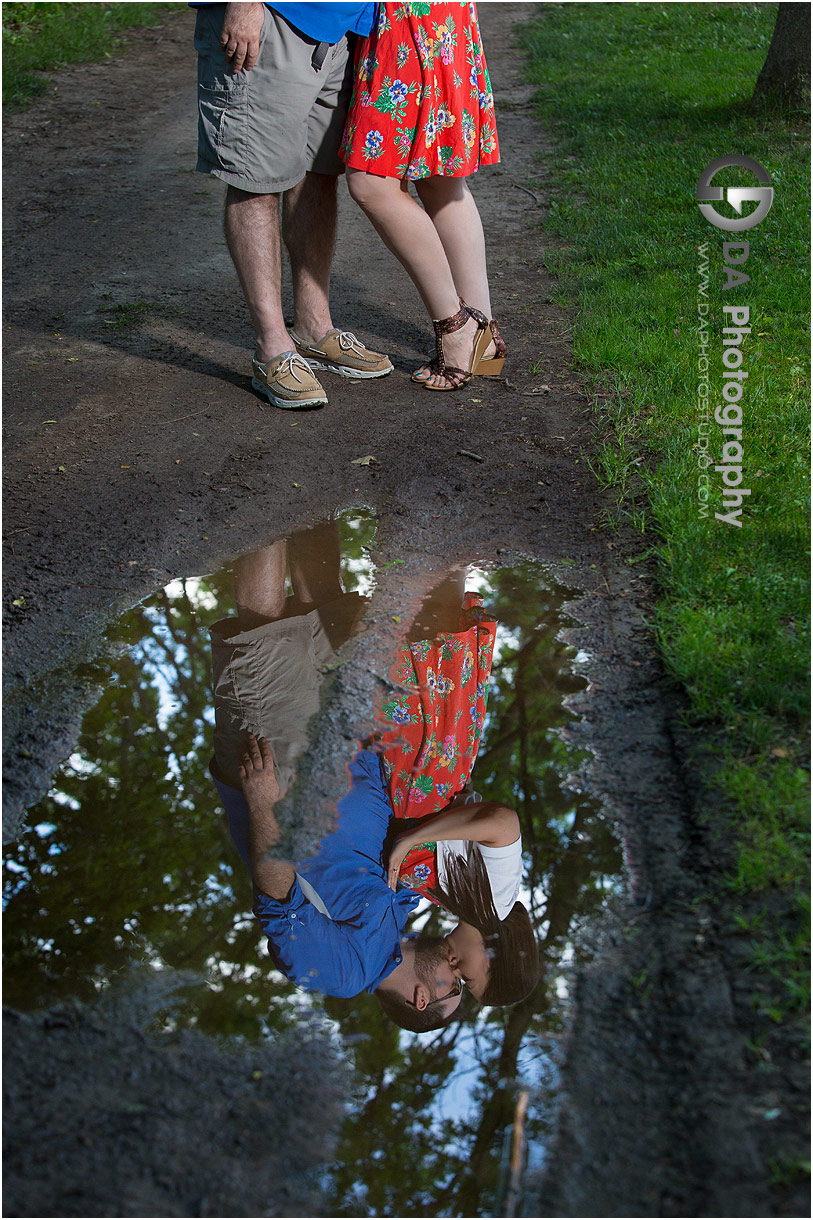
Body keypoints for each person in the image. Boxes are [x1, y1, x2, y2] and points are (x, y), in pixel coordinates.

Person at [208, 524, 462, 1030]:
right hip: (348, 734)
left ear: (419, 999)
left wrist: (261, 803)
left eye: (452, 988)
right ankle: (311, 489)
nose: (456, 974)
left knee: (263, 629)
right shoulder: (397, 922)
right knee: (327, 607)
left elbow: (278, 903)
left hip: (286, 772)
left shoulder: (344, 975)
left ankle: (269, 487)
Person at [193, 2, 393, 408]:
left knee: (318, 174)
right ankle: (272, 348)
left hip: (340, 25)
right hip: (271, 16)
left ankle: (314, 328)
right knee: (255, 178)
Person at [377, 571, 539, 1005]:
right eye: (472, 979)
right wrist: (412, 838)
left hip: (418, 763)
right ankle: (440, 524)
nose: (458, 974)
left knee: (411, 619)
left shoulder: (462, 904)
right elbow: (502, 823)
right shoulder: (496, 905)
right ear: (495, 955)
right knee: (429, 624)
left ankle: (429, 527)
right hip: (431, 753)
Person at [340, 1, 506, 390]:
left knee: (370, 182)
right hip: (443, 18)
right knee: (440, 179)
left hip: (409, 20)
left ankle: (458, 328)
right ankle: (483, 339)